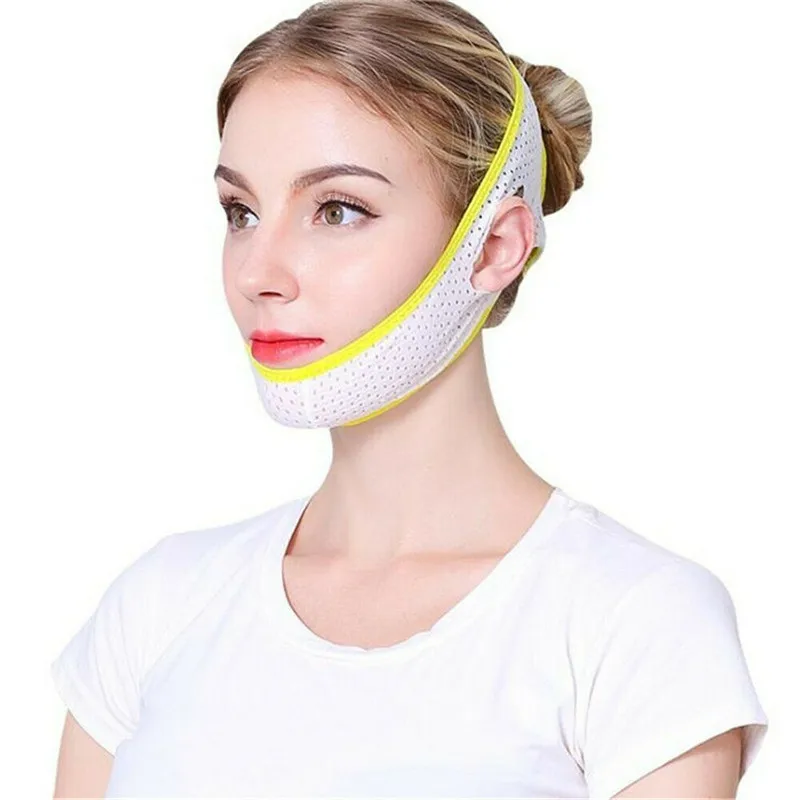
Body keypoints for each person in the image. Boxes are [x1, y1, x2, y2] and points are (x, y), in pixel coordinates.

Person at [50, 1, 769, 797]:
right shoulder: (157, 606)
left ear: (495, 245)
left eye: (337, 210)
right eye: (241, 212)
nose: (258, 272)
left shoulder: (634, 621)